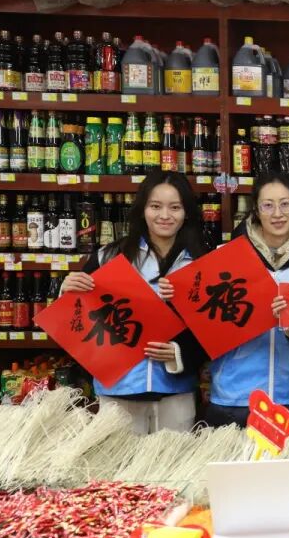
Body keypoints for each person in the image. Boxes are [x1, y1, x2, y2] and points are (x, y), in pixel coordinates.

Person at [60, 171, 209, 434]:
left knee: (174, 461)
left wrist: (180, 352)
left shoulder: (201, 263)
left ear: (187, 212)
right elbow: (75, 322)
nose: (165, 215)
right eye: (155, 206)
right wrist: (67, 292)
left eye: (175, 207)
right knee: (120, 462)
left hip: (176, 393)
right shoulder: (109, 257)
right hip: (117, 393)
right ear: (142, 209)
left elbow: (215, 330)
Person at [204, 173, 289, 427]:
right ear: (256, 210)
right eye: (268, 205)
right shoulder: (224, 258)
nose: (277, 214)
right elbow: (204, 324)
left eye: (285, 204)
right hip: (234, 396)